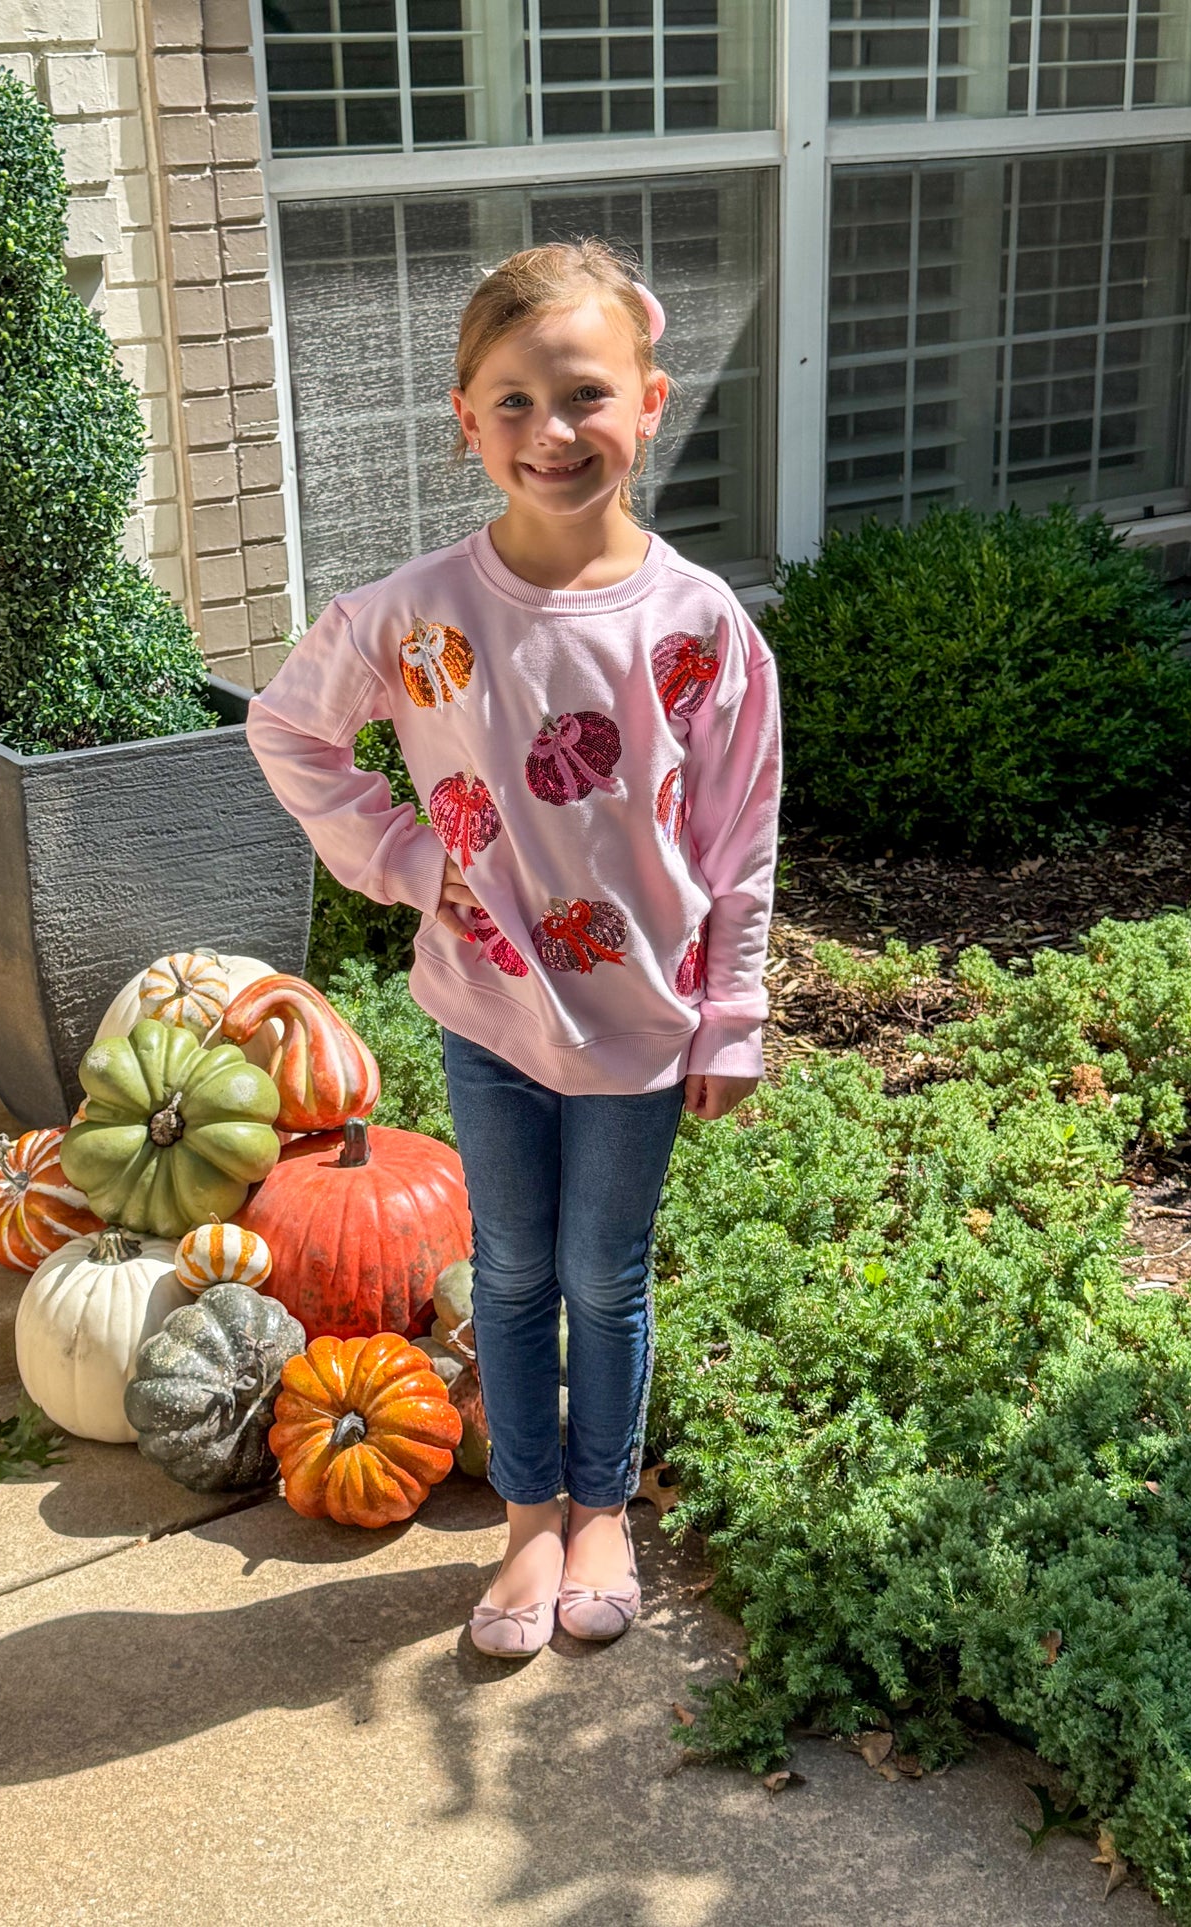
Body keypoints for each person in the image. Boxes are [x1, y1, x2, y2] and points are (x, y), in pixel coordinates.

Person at [247, 237, 783, 1658]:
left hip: (641, 1024)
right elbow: (289, 726)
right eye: (513, 404)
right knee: (512, 1274)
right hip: (485, 1013)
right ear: (463, 418)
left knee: (605, 1273)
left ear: (651, 402)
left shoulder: (698, 624)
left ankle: (602, 1508)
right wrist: (405, 857)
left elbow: (738, 832)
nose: (551, 434)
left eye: (584, 396)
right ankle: (527, 1520)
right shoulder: (417, 612)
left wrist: (731, 1014)